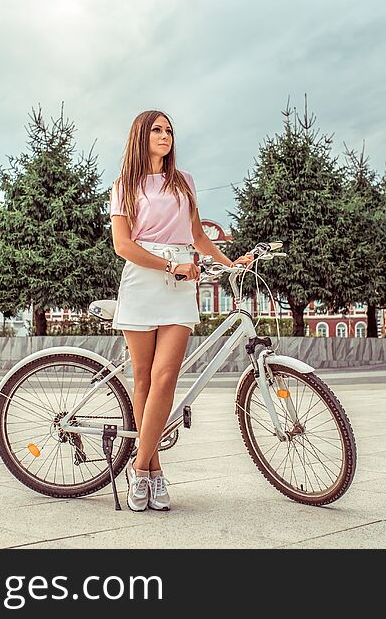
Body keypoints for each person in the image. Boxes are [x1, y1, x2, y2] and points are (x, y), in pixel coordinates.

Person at [109, 110, 253, 511]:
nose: (165, 135)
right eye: (157, 129)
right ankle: (151, 472)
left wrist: (228, 264)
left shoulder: (183, 181)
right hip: (142, 279)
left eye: (169, 130)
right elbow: (123, 245)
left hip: (180, 284)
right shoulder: (124, 185)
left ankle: (139, 469)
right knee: (142, 379)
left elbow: (197, 236)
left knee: (166, 376)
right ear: (141, 135)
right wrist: (171, 264)